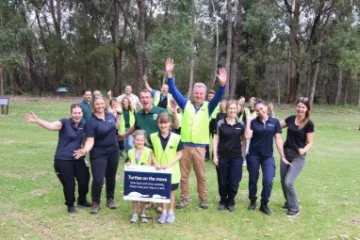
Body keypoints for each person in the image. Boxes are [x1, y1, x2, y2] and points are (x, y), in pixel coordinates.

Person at [166, 58, 227, 209]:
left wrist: (222, 85)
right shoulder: (185, 104)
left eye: (201, 93)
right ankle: (184, 199)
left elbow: (219, 96)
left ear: (205, 95)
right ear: (192, 93)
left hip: (200, 147)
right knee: (184, 175)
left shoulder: (209, 107)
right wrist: (169, 75)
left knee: (201, 176)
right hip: (185, 145)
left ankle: (203, 199)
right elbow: (173, 91)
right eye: (196, 93)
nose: (199, 95)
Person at [24, 104, 90, 213]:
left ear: (82, 113)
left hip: (78, 158)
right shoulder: (64, 123)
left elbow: (90, 137)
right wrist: (37, 120)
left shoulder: (85, 124)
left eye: (79, 113)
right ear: (71, 113)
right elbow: (51, 125)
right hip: (63, 160)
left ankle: (82, 200)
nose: (77, 115)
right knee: (69, 184)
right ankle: (70, 205)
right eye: (75, 113)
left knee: (85, 179)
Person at [73, 97, 120, 214]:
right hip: (99, 153)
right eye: (97, 104)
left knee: (111, 176)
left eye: (102, 103)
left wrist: (118, 115)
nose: (100, 106)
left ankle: (110, 199)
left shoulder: (110, 115)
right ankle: (96, 202)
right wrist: (85, 150)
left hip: (113, 150)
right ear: (94, 106)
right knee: (98, 179)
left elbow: (116, 127)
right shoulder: (91, 121)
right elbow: (90, 140)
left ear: (105, 104)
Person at [244, 99, 290, 215]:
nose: (260, 111)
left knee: (268, 180)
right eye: (257, 110)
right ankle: (253, 201)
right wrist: (249, 121)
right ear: (255, 111)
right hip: (253, 155)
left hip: (267, 156)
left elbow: (278, 139)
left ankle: (264, 204)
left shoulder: (274, 122)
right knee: (253, 179)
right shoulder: (253, 122)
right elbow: (247, 135)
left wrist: (282, 155)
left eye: (261, 108)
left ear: (266, 108)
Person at [280, 97, 314, 216]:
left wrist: (303, 149)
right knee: (283, 181)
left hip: (298, 157)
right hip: (286, 153)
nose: (300, 109)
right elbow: (277, 126)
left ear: (307, 109)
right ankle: (288, 202)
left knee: (288, 182)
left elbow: (310, 142)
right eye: (298, 106)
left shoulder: (309, 124)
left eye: (303, 107)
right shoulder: (290, 119)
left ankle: (294, 208)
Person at [150, 112, 183, 223]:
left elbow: (179, 154)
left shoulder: (177, 137)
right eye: (161, 123)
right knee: (162, 191)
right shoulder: (153, 136)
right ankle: (163, 212)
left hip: (172, 170)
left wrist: (169, 164)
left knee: (171, 192)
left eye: (165, 123)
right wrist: (155, 163)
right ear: (158, 124)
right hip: (159, 170)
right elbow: (152, 153)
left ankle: (171, 212)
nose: (163, 126)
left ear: (170, 123)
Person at [213, 100, 245, 212]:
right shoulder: (220, 123)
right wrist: (215, 156)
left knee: (234, 181)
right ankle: (223, 201)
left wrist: (243, 154)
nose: (232, 110)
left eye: (234, 109)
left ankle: (231, 201)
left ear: (237, 110)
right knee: (222, 180)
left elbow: (244, 139)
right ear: (226, 110)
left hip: (236, 157)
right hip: (223, 156)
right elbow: (216, 139)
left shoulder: (241, 124)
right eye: (230, 108)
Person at [126, 130, 153, 223]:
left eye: (141, 140)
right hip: (134, 178)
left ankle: (143, 214)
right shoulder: (130, 151)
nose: (139, 142)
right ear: (133, 140)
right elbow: (129, 161)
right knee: (134, 197)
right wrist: (128, 164)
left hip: (144, 177)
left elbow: (149, 164)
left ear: (144, 141)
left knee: (143, 197)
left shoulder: (149, 151)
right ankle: (134, 214)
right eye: (137, 140)